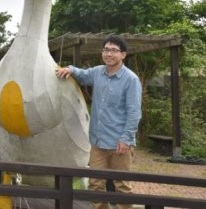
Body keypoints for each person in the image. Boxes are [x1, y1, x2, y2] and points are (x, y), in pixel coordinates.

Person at [55, 34, 142, 209]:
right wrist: (70, 68)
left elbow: (134, 113)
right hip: (98, 142)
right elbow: (81, 74)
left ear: (123, 55)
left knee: (122, 187)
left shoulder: (130, 79)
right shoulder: (97, 72)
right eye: (106, 50)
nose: (109, 54)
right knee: (95, 184)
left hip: (119, 143)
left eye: (114, 51)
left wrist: (126, 139)